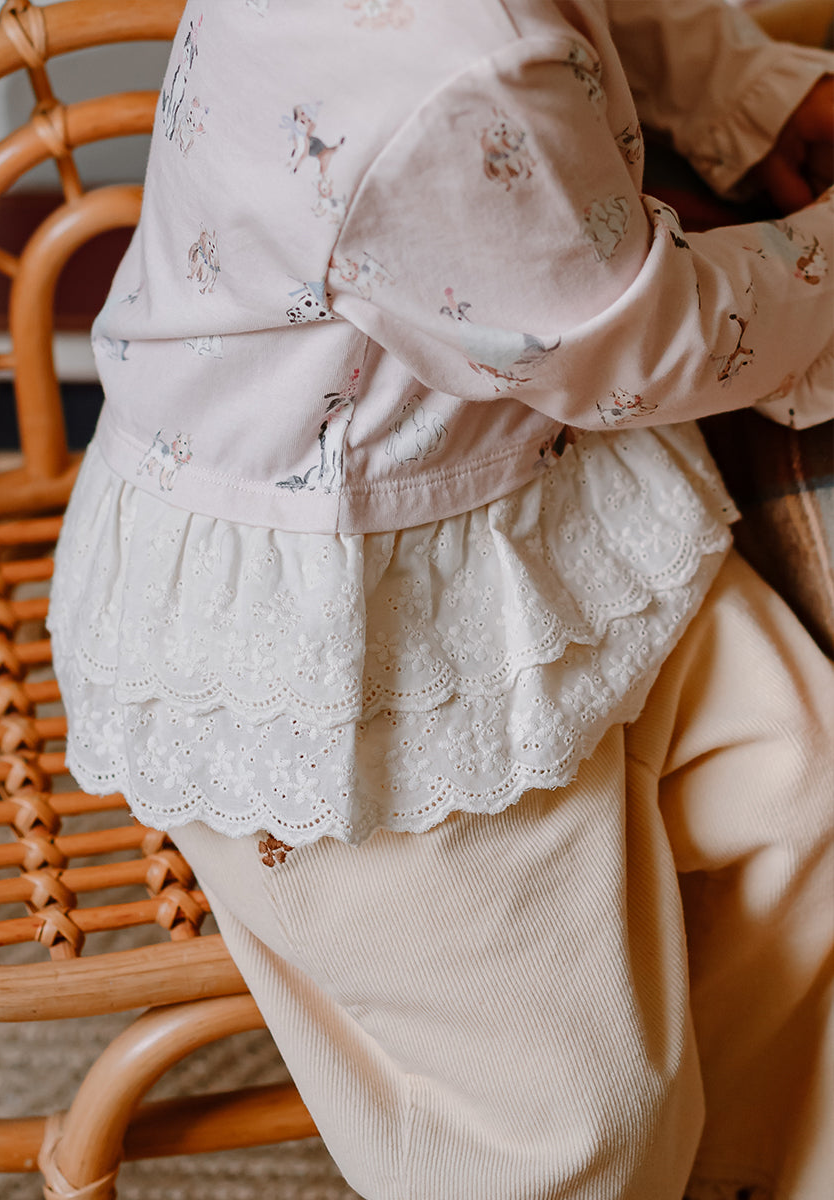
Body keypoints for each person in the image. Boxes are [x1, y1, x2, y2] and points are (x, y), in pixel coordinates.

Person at [47, 1, 834, 1196]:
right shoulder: (444, 63)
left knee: (805, 791)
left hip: (550, 511)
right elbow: (640, 340)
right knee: (571, 1122)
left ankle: (742, 1168)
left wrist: (747, 92)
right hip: (340, 645)